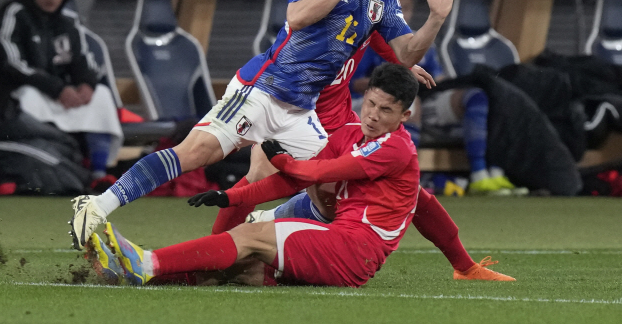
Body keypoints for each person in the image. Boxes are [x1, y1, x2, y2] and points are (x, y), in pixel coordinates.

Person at [69, 0, 457, 250]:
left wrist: (436, 20)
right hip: (261, 89)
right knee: (197, 152)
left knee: (330, 185)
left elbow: (405, 53)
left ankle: (259, 227)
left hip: (301, 109)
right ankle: (97, 205)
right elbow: (297, 16)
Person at [84, 64, 514, 287]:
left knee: (249, 239)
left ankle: (145, 263)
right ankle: (134, 273)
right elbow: (298, 180)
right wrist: (231, 198)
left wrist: (284, 161)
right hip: (331, 234)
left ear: (405, 115)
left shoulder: (397, 146)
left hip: (354, 249)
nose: (374, 115)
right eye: (371, 105)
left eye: (386, 111)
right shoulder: (350, 132)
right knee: (242, 268)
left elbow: (324, 170)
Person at [349, 0, 521, 195]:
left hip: (424, 100)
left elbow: (438, 77)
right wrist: (393, 79)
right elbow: (354, 82)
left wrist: (434, 82)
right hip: (371, 102)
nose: (403, 14)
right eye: (398, 8)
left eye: (407, 9)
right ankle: (406, 177)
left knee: (479, 96)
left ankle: (481, 174)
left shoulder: (419, 41)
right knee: (409, 100)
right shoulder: (369, 38)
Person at [0, 0, 123, 183]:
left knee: (102, 96)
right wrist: (57, 88)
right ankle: (60, 162)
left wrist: (86, 85)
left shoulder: (69, 22)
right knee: (29, 95)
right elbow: (10, 62)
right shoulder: (14, 13)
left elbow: (84, 61)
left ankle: (100, 172)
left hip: (58, 95)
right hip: (8, 97)